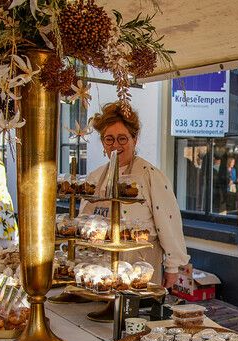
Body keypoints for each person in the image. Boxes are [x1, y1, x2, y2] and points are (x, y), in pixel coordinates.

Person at [79, 102, 189, 288]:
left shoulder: (149, 175)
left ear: (134, 139)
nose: (116, 145)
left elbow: (168, 222)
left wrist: (172, 267)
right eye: (109, 139)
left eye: (122, 139)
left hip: (139, 262)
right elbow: (84, 221)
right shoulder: (95, 177)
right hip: (102, 263)